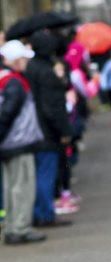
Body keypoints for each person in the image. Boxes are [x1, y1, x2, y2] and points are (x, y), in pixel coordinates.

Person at [25, 29, 73, 228]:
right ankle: (45, 214)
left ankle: (40, 212)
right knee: (46, 174)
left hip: (34, 129)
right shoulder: (45, 71)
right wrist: (65, 131)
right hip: (46, 131)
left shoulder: (31, 68)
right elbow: (52, 106)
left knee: (39, 174)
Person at [0, 40, 46, 245]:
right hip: (17, 141)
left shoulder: (5, 79)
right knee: (23, 186)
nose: (26, 62)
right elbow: (8, 113)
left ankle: (12, 227)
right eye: (24, 59)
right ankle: (20, 228)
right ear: (15, 60)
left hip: (9, 142)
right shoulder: (14, 82)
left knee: (10, 187)